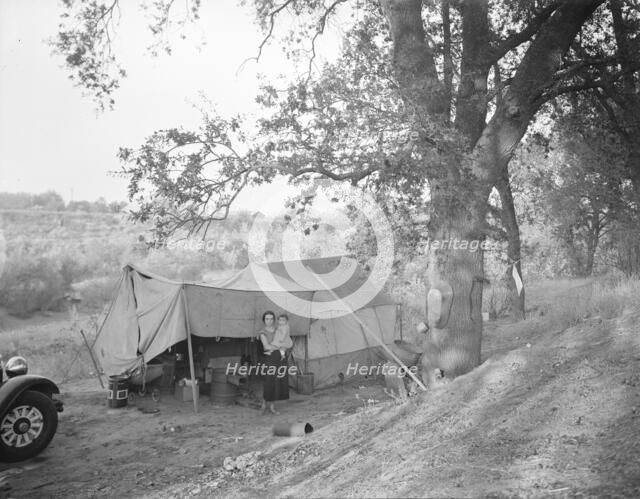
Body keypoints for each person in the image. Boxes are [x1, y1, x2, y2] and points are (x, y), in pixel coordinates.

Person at [258, 310, 290, 415]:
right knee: (268, 382)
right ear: (264, 320)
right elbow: (266, 347)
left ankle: (272, 407)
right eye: (267, 319)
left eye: (271, 319)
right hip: (269, 360)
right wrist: (278, 346)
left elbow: (286, 342)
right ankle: (263, 405)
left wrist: (278, 347)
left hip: (279, 358)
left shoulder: (278, 329)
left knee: (277, 382)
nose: (269, 321)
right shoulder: (263, 332)